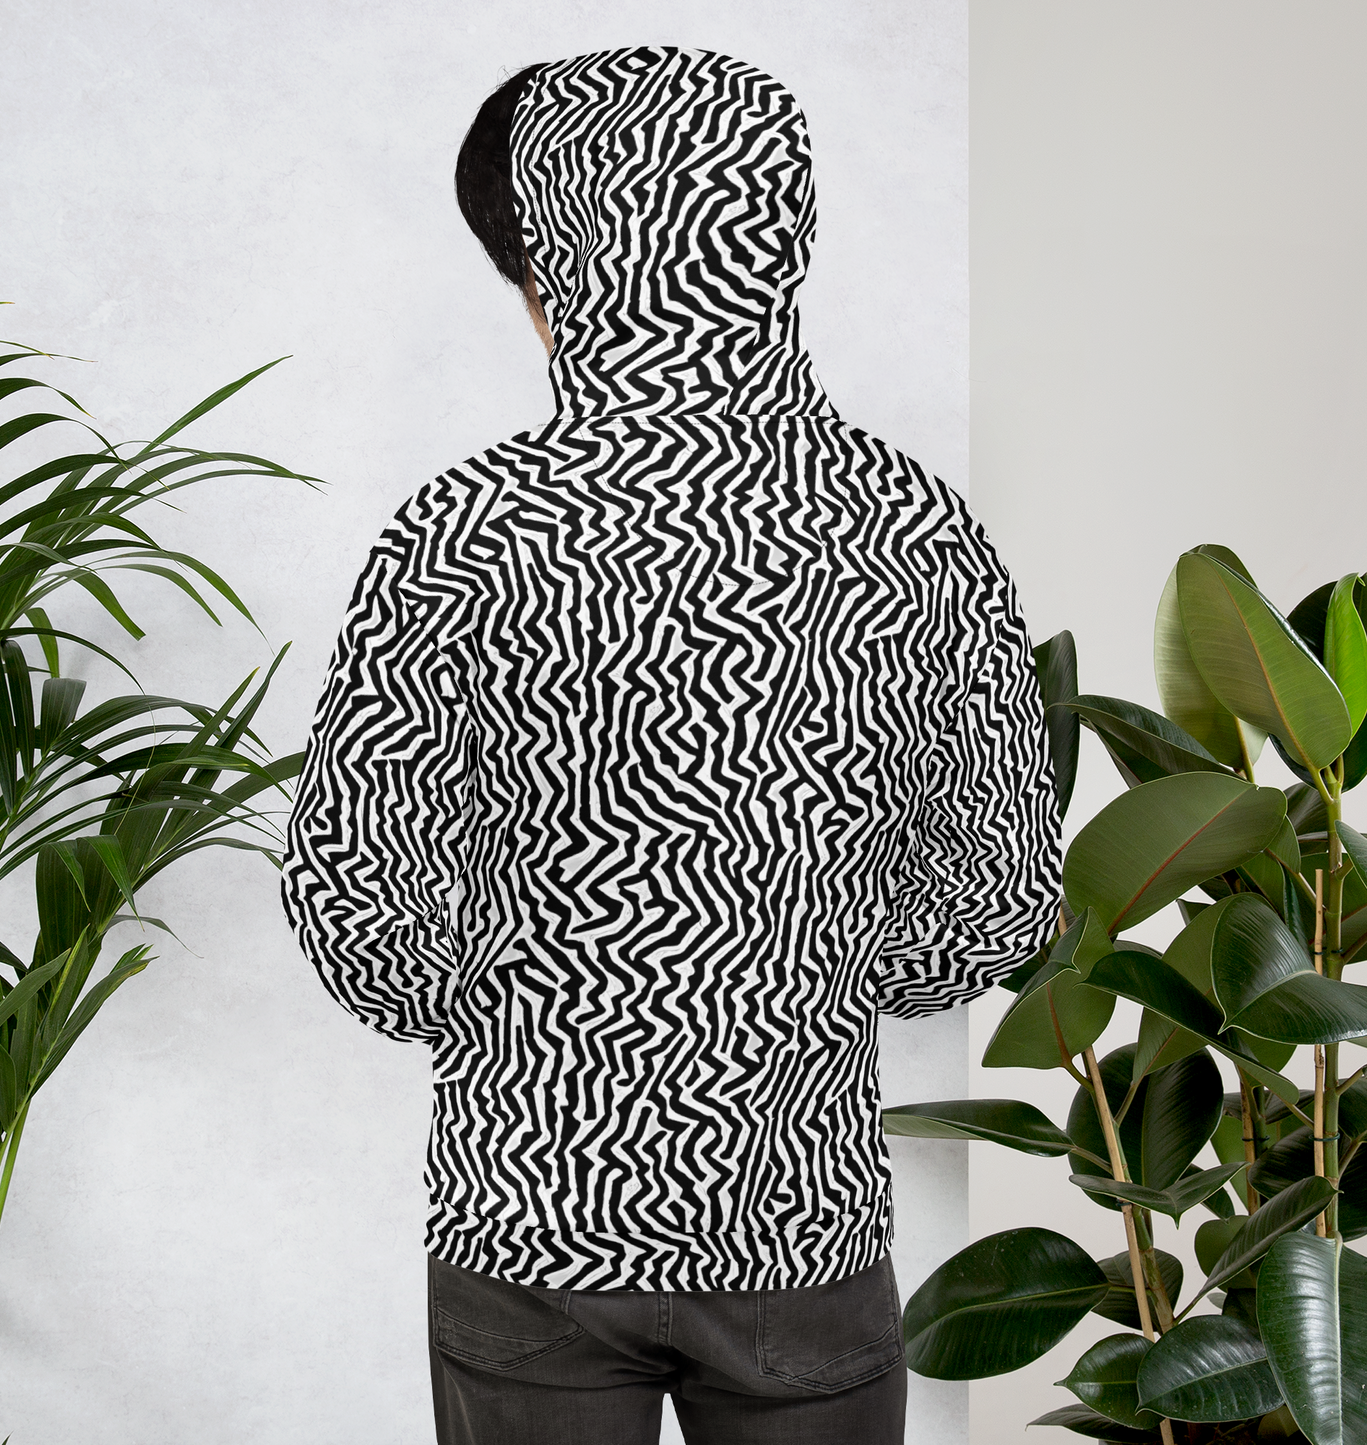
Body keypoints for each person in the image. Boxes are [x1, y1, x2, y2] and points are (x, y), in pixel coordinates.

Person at [281, 46, 1061, 1445]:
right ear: (776, 236)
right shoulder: (915, 530)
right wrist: (804, 970)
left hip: (525, 1222)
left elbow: (359, 911)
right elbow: (992, 914)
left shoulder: (463, 533)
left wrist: (532, 1003)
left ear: (567, 264)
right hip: (801, 1223)